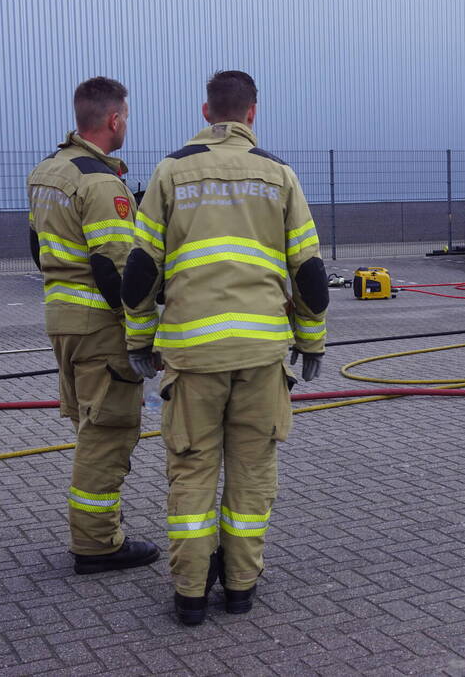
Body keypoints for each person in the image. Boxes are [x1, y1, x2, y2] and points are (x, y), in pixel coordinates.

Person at [122, 70, 329, 625]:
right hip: (262, 357)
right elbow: (309, 271)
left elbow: (140, 269)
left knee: (192, 472)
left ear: (206, 111)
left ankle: (190, 593)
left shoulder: (170, 171)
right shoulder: (279, 175)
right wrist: (312, 342)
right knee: (252, 473)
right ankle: (240, 586)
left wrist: (139, 339)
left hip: (193, 358)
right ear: (252, 113)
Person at [27, 77, 159, 574]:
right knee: (107, 434)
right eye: (127, 117)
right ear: (114, 119)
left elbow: (37, 248)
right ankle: (97, 544)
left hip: (62, 321)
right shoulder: (101, 183)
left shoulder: (48, 171)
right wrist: (143, 334)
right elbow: (115, 269)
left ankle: (98, 529)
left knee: (90, 426)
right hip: (101, 328)